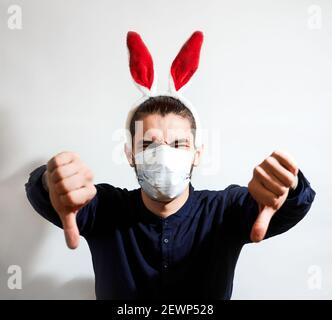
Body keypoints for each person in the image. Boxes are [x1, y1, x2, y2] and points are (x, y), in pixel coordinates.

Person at [25, 31, 315, 300]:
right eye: (148, 144)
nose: (163, 155)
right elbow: (47, 194)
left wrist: (288, 187)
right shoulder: (104, 208)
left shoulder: (224, 211)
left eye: (178, 144)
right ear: (129, 154)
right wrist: (52, 183)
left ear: (197, 154)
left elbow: (293, 204)